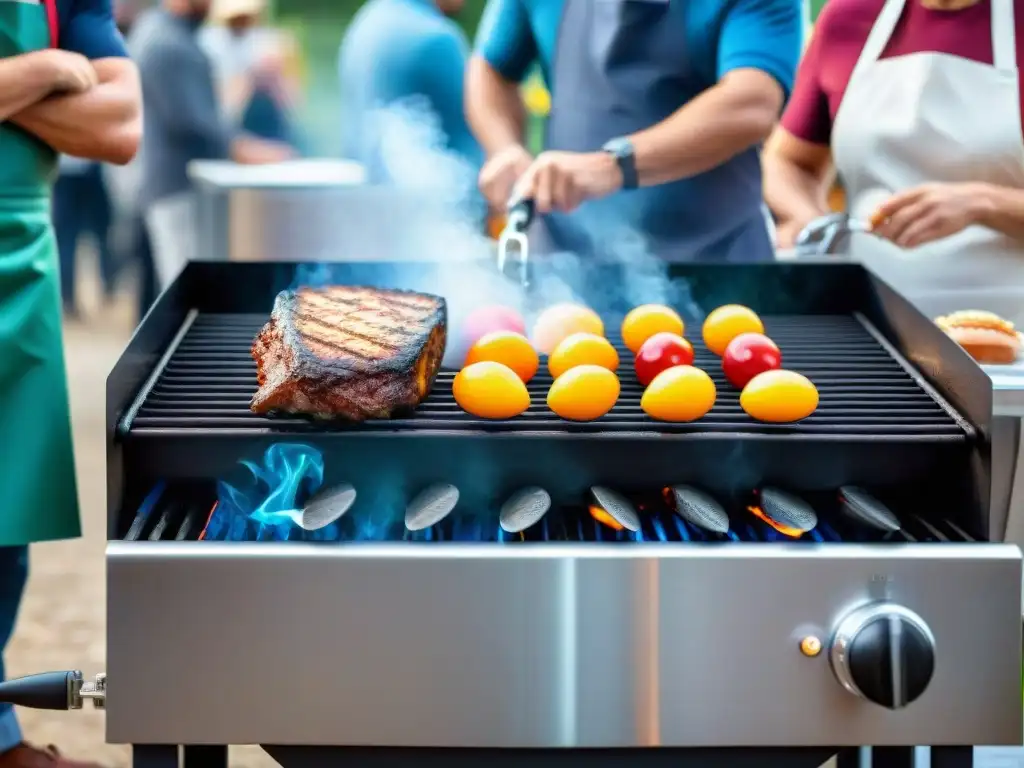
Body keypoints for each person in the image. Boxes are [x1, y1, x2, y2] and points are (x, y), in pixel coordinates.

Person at [0, 0, 141, 764]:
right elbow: (85, 101)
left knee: (5, 523)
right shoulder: (54, 48)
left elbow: (119, 126)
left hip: (20, 268)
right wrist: (45, 72)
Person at [466, 0, 801, 262]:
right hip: (565, 265)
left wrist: (612, 166)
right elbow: (490, 70)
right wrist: (505, 148)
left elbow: (751, 102)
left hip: (716, 262)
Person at [763, 0, 1024, 324]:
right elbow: (788, 161)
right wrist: (811, 221)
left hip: (1011, 330)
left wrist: (983, 203)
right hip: (868, 321)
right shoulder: (847, 17)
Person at [131, 0, 292, 290]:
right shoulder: (167, 43)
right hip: (178, 190)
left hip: (174, 187)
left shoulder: (166, 34)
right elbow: (195, 124)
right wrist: (250, 151)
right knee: (189, 295)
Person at [338, 0, 483, 180]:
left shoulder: (367, 21)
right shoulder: (436, 38)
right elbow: (479, 152)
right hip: (432, 201)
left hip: (370, 195)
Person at [200, 0, 300, 146]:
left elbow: (292, 104)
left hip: (268, 129)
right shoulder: (210, 44)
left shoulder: (272, 42)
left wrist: (274, 78)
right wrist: (248, 77)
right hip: (232, 131)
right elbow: (223, 111)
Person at [52, 154, 119, 317]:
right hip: (87, 166)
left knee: (67, 239)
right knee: (100, 233)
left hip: (64, 170)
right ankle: (107, 286)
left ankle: (67, 298)